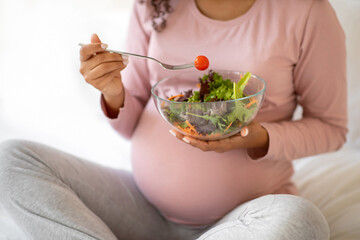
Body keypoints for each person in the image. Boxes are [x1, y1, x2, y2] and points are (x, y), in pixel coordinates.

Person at [0, 0, 347, 239]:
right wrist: (112, 91)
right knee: (12, 160)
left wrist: (254, 137)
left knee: (303, 221)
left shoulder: (306, 12)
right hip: (141, 209)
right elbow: (130, 114)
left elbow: (331, 129)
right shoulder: (154, 4)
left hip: (245, 220)